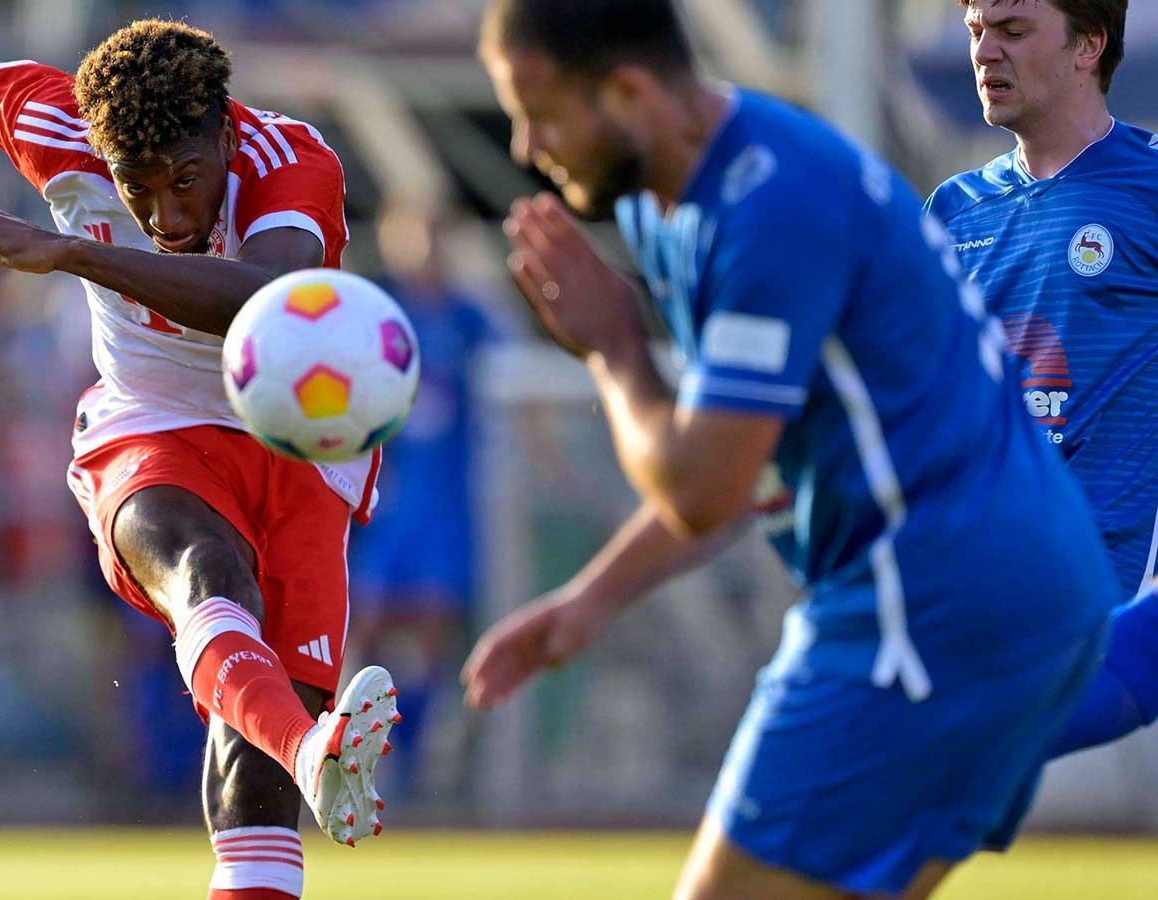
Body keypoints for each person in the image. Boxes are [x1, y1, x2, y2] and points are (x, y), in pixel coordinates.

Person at [462, 1, 1119, 897]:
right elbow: (753, 467)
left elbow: (701, 485)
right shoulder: (675, 200)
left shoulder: (772, 205)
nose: (525, 145)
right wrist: (593, 597)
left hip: (929, 604)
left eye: (537, 107)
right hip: (1023, 597)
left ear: (627, 90)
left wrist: (614, 348)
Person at [0, 21, 400, 899]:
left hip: (298, 444)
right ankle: (314, 749)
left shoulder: (291, 159)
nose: (166, 217)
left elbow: (261, 301)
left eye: (187, 182)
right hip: (149, 426)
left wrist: (80, 252)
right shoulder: (57, 128)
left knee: (255, 765)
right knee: (209, 572)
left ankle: (302, 752)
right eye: (138, 189)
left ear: (226, 133)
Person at [926, 0, 1158, 760]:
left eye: (1013, 31)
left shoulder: (1148, 190)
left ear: (1090, 44)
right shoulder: (954, 213)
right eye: (975, 32)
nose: (986, 53)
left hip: (1115, 604)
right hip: (984, 592)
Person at [348, 199, 497, 798]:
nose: (424, 249)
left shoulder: (469, 320)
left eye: (435, 235)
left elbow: (512, 390)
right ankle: (360, 749)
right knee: (369, 623)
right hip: (385, 503)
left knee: (433, 627)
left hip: (446, 504)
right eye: (412, 235)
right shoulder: (377, 314)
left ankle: (418, 761)